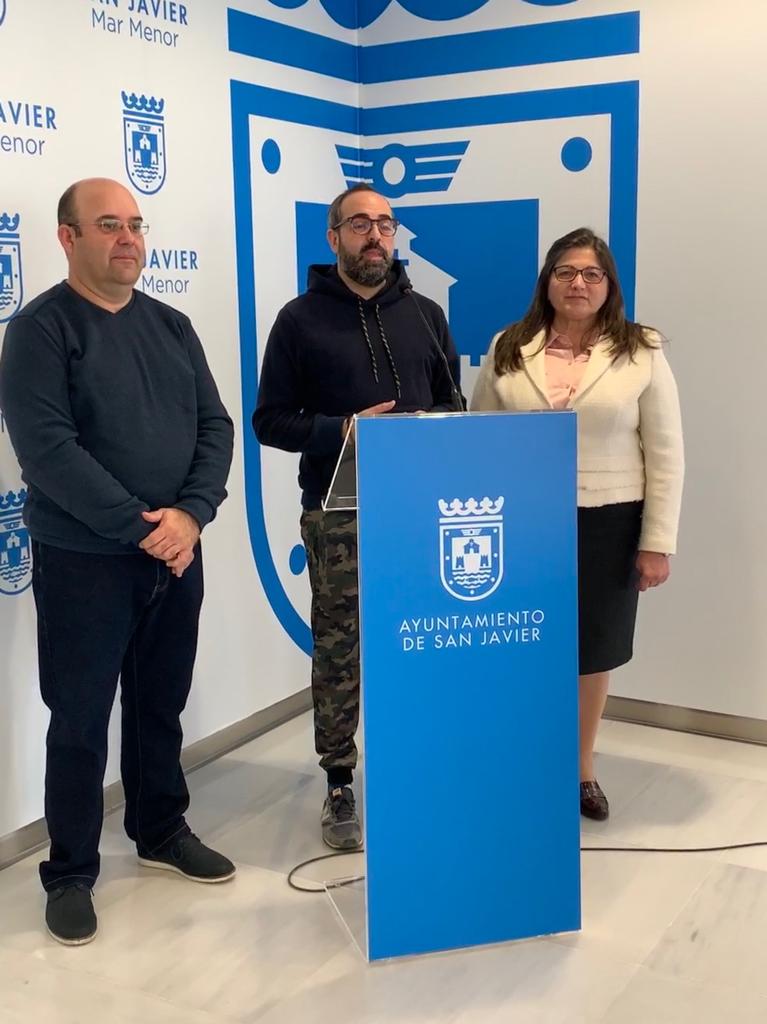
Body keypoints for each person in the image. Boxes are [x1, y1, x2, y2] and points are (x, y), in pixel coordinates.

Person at [0, 178, 235, 946]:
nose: (128, 238)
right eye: (108, 225)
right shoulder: (39, 331)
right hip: (84, 562)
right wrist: (146, 529)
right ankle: (70, 871)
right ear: (67, 237)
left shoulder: (171, 325)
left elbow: (215, 426)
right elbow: (48, 451)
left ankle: (160, 830)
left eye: (135, 225)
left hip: (176, 553)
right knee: (79, 720)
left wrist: (190, 515)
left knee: (159, 703)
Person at [253, 183, 462, 849]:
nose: (375, 236)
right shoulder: (298, 320)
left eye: (385, 224)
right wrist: (341, 429)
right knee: (340, 652)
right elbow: (269, 421)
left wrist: (429, 429)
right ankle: (339, 782)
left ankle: (415, 764)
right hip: (338, 515)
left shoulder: (426, 314)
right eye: (360, 224)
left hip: (420, 513)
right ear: (333, 236)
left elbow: (453, 405)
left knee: (421, 641)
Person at [470, 227, 684, 821]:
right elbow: (478, 438)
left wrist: (657, 542)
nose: (578, 283)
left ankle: (580, 768)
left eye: (592, 273)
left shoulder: (641, 349)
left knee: (590, 653)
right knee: (522, 645)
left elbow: (666, 453)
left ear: (609, 284)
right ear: (547, 281)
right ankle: (524, 759)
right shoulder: (509, 346)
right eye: (565, 272)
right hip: (522, 525)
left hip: (609, 522)